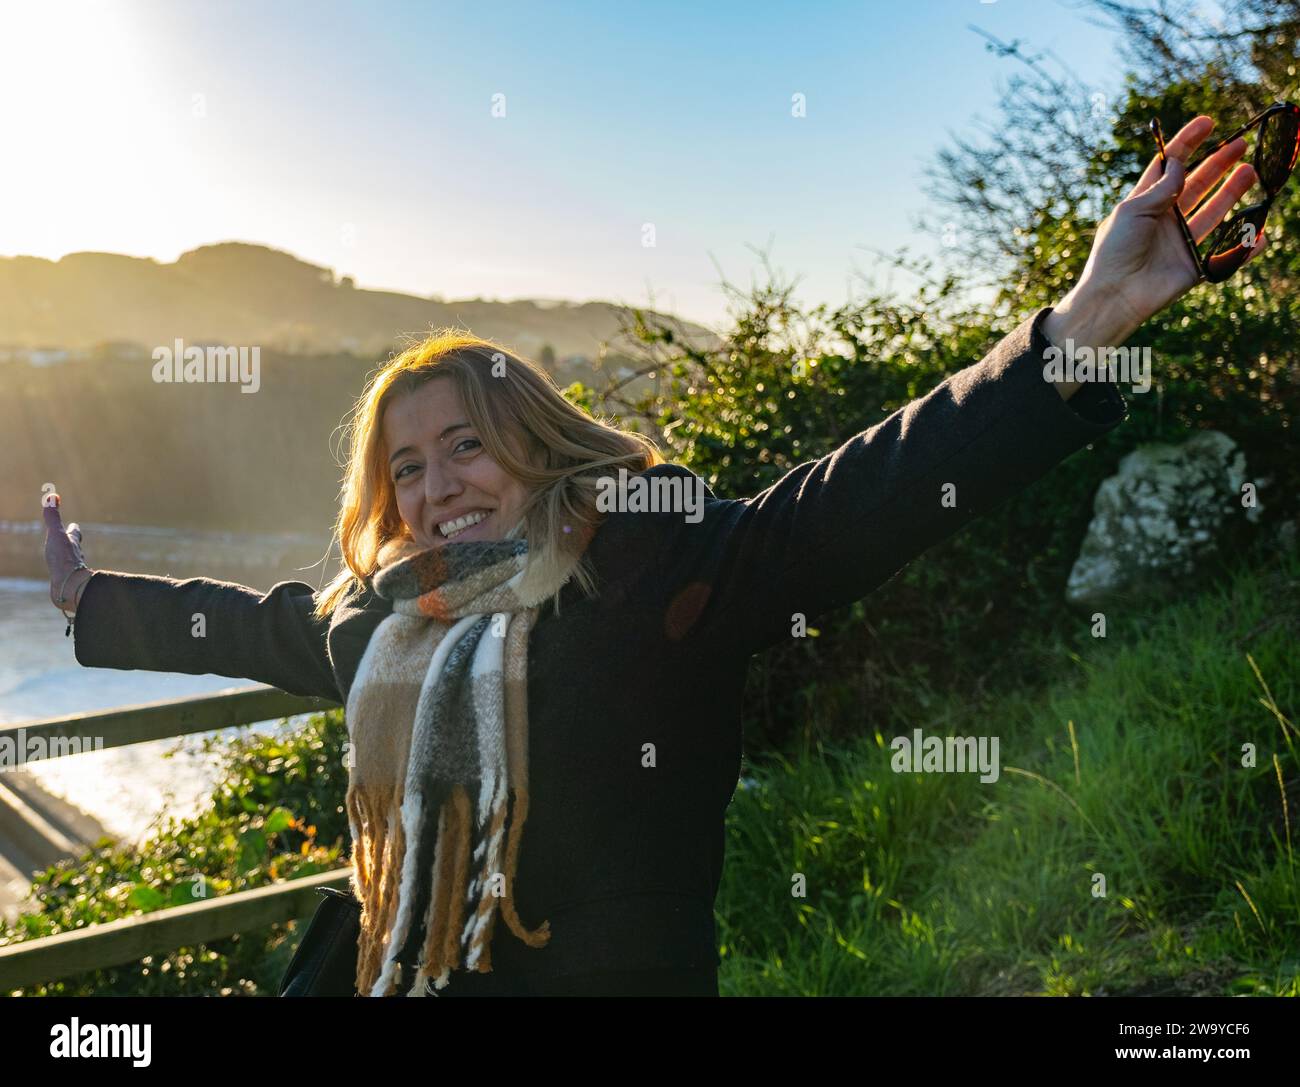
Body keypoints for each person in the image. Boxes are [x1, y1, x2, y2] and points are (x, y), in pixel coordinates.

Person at [42, 115, 1266, 997]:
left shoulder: (657, 562)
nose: (435, 484)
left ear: (533, 447)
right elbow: (255, 625)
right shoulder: (386, 617)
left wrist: (1085, 321)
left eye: (464, 444)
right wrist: (92, 599)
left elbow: (868, 493)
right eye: (405, 466)